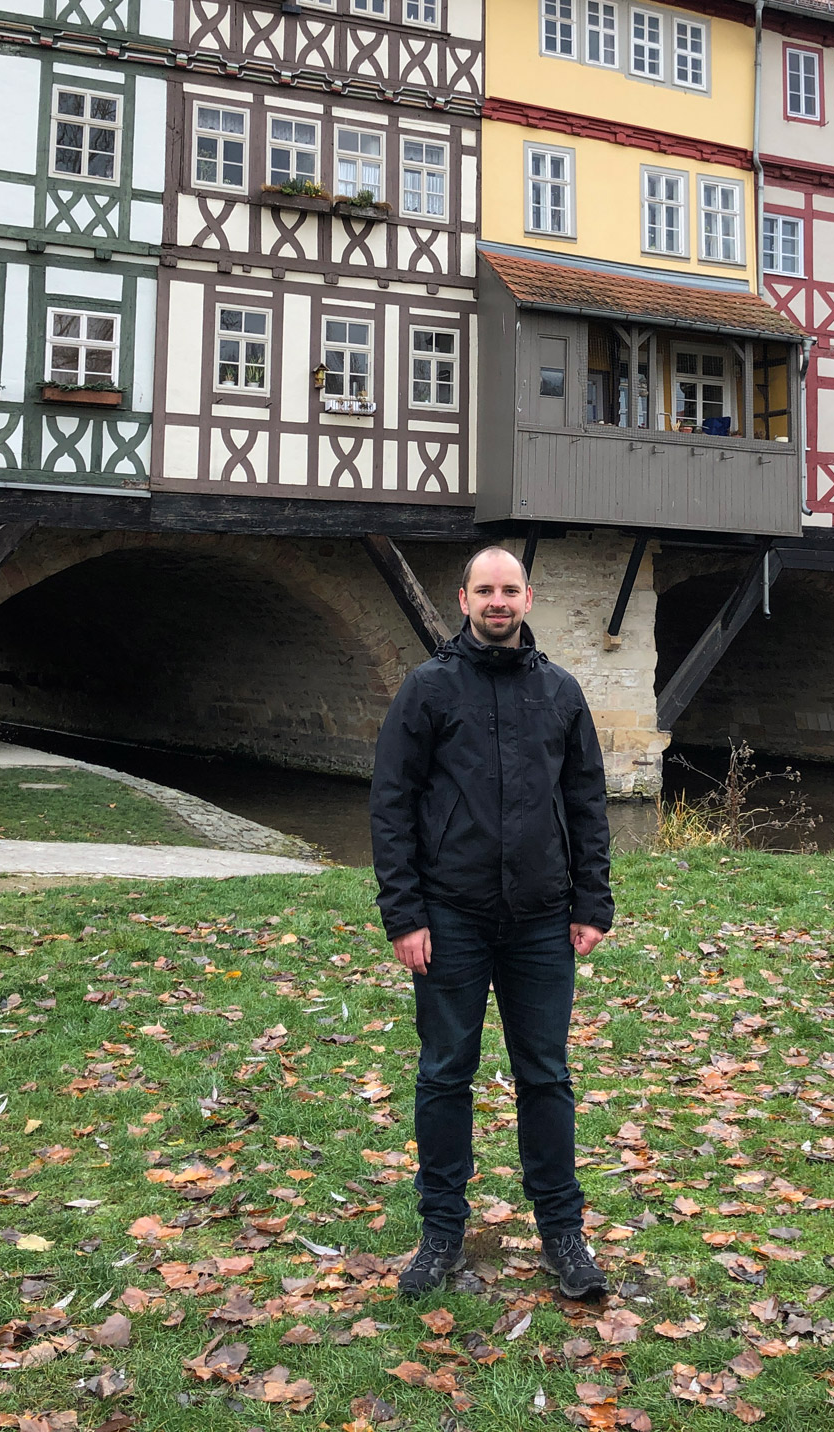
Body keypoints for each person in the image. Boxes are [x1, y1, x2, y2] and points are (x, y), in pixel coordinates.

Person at [370, 544, 614, 1299]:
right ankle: (441, 1233)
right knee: (445, 1074)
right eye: (486, 590)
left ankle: (562, 1235)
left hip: (542, 921)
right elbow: (392, 806)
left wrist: (590, 901)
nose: (498, 601)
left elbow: (586, 803)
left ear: (529, 599)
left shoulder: (562, 693)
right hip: (451, 919)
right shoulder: (428, 689)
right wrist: (405, 914)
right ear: (465, 598)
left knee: (546, 1076)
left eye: (510, 589)